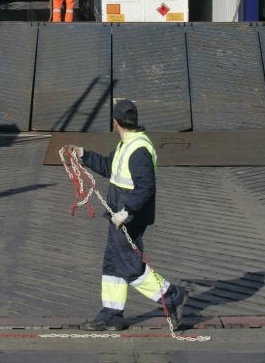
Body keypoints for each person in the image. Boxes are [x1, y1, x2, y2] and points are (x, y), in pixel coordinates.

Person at [68, 99, 189, 332]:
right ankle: (111, 315)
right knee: (113, 264)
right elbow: (108, 166)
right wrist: (83, 155)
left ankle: (172, 296)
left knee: (130, 266)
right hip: (119, 215)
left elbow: (146, 187)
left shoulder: (138, 149)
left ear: (115, 122)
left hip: (129, 218)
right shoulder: (128, 143)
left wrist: (127, 211)